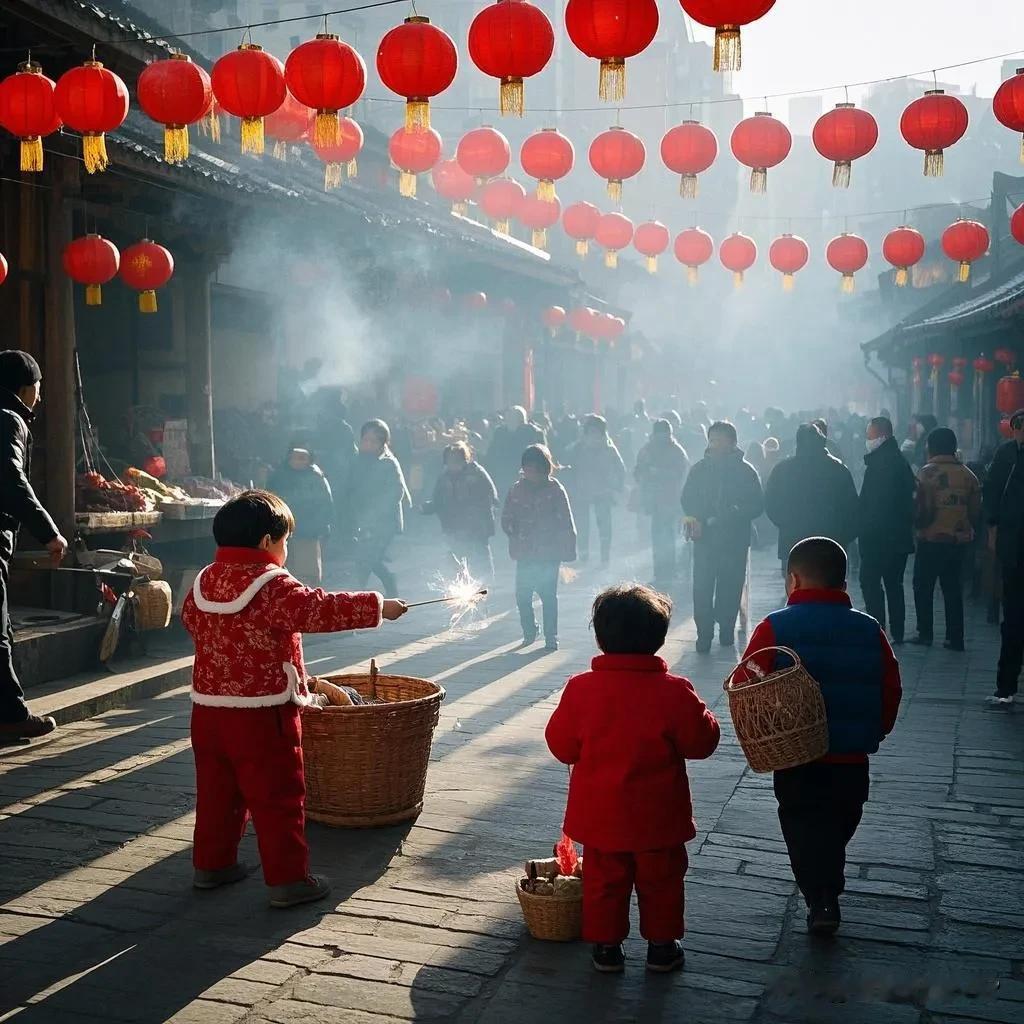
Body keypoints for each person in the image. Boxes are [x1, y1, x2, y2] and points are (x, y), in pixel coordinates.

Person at [180, 490, 408, 907]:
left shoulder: (203, 580)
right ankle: (288, 879)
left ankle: (211, 865)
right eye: (285, 540)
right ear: (267, 541)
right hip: (263, 712)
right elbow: (319, 609)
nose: (286, 549)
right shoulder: (272, 585)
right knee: (278, 797)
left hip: (208, 711)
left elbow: (192, 623)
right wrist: (379, 606)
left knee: (216, 792)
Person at [545, 584, 720, 974]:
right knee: (662, 882)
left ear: (600, 636)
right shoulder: (674, 691)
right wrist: (706, 712)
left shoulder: (580, 689)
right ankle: (662, 946)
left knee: (604, 882)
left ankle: (606, 947)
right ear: (658, 638)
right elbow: (702, 742)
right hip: (659, 818)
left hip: (601, 818)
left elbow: (560, 746)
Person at [739, 538, 901, 934]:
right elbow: (890, 685)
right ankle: (827, 886)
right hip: (851, 757)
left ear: (793, 579)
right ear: (844, 584)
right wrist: (874, 728)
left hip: (796, 755)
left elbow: (747, 679)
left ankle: (821, 896)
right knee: (841, 819)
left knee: (801, 822)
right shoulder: (869, 628)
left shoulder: (776, 625)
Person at [0, 352, 69, 741]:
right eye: (38, 388)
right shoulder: (9, 419)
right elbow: (9, 480)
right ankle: (9, 715)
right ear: (26, 387)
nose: (39, 398)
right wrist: (48, 532)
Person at [681, 421, 763, 652]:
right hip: (705, 539)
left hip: (734, 540)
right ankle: (704, 634)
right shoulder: (699, 469)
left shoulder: (746, 471)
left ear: (732, 442)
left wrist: (734, 512)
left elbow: (757, 504)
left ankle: (726, 628)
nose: (714, 443)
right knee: (702, 587)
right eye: (712, 439)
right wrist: (696, 517)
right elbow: (687, 499)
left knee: (731, 585)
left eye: (719, 439)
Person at [910, 427, 981, 651]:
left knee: (923, 586)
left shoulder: (926, 473)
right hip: (957, 541)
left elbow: (920, 508)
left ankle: (925, 632)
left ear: (931, 447)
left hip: (930, 538)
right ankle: (955, 637)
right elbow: (976, 512)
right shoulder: (969, 476)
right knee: (952, 588)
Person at [501, 445, 576, 650]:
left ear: (544, 468)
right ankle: (530, 630)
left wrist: (568, 548)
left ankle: (551, 635)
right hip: (524, 552)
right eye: (527, 468)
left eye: (534, 468)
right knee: (522, 595)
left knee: (548, 596)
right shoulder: (516, 490)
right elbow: (507, 515)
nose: (530, 472)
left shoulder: (555, 490)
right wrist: (510, 528)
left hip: (549, 554)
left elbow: (565, 521)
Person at [765, 423, 859, 571]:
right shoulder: (838, 470)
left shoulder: (782, 470)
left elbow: (770, 503)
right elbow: (852, 508)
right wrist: (843, 537)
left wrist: (786, 524)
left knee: (797, 588)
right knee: (828, 588)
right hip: (830, 542)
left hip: (793, 540)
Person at [858, 416, 917, 644]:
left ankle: (878, 629)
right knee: (894, 584)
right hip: (898, 536)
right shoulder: (898, 460)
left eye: (869, 435)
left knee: (870, 581)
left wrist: (864, 529)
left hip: (879, 538)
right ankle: (898, 632)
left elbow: (875, 504)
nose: (867, 440)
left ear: (882, 436)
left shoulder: (882, 465)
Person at [983, 408, 1024, 705]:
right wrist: (993, 529)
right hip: (1014, 547)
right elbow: (992, 493)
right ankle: (1006, 685)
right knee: (1013, 618)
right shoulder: (1007, 455)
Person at [347, 420, 411, 597]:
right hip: (362, 519)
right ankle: (358, 594)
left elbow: (396, 492)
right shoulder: (357, 461)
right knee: (363, 558)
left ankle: (390, 586)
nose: (368, 444)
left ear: (383, 443)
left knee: (370, 557)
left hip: (385, 522)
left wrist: (373, 515)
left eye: (373, 441)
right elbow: (352, 488)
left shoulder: (388, 463)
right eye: (365, 439)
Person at [421, 441, 499, 581]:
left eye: (456, 461)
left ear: (465, 460)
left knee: (480, 557)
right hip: (453, 526)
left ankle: (486, 584)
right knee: (457, 557)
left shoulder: (476, 473)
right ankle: (464, 585)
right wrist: (428, 508)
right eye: (450, 461)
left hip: (476, 526)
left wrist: (488, 506)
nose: (453, 465)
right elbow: (437, 499)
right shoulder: (444, 477)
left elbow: (490, 492)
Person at [267, 445, 334, 587]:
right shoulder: (278, 476)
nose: (298, 461)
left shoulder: (317, 478)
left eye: (303, 458)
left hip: (308, 533)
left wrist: (320, 527)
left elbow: (326, 505)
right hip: (284, 531)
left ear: (309, 459)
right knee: (285, 569)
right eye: (295, 457)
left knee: (307, 573)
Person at [634, 420, 690, 586]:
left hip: (670, 498)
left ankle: (668, 569)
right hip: (653, 499)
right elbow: (638, 471)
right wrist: (643, 474)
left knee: (666, 535)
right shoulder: (647, 450)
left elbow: (680, 473)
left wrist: (657, 472)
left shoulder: (676, 450)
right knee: (657, 535)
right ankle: (660, 569)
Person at [565, 415, 626, 565]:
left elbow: (620, 470)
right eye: (590, 432)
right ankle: (584, 554)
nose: (594, 436)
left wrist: (615, 486)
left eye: (597, 432)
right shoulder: (577, 449)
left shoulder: (609, 449)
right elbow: (569, 470)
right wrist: (571, 488)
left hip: (603, 492)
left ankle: (604, 557)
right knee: (582, 525)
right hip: (582, 492)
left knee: (604, 526)